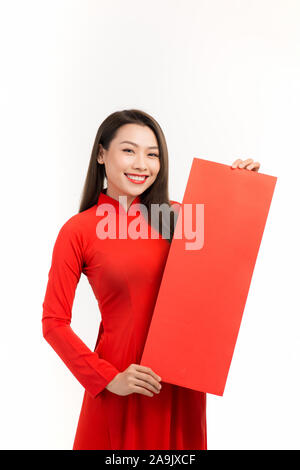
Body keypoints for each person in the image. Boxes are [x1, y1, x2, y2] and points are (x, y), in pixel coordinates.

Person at [41, 109, 261, 450]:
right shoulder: (79, 230)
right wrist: (108, 378)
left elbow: (224, 270)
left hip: (180, 382)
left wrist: (240, 187)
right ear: (101, 154)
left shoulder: (178, 217)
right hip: (125, 379)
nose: (142, 163)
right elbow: (54, 323)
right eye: (129, 150)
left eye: (153, 154)